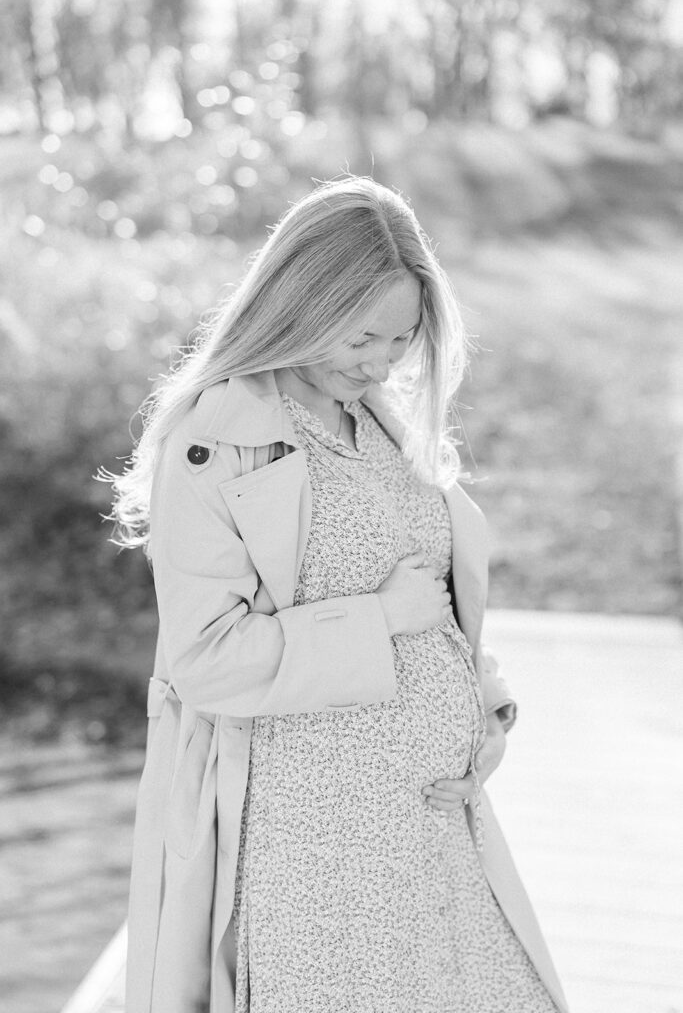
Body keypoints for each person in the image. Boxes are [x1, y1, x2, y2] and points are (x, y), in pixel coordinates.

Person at [106, 175, 569, 1013]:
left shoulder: (381, 421)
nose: (382, 363)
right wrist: (380, 620)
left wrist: (483, 712)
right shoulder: (219, 442)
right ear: (299, 306)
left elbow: (434, 591)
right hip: (320, 851)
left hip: (431, 828)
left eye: (400, 341)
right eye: (362, 338)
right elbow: (207, 660)